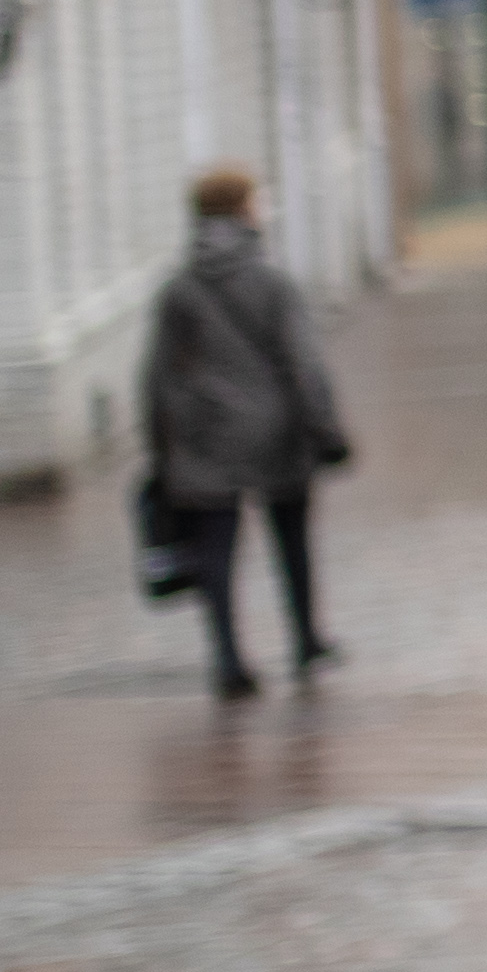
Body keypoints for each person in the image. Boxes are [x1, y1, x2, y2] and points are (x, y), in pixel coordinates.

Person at [139, 165, 348, 699]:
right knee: (292, 538)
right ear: (241, 211)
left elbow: (158, 375)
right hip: (277, 429)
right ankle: (304, 639)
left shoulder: (178, 291)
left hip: (206, 435)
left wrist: (160, 446)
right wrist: (325, 426)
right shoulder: (272, 283)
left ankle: (229, 660)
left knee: (216, 551)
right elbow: (302, 361)